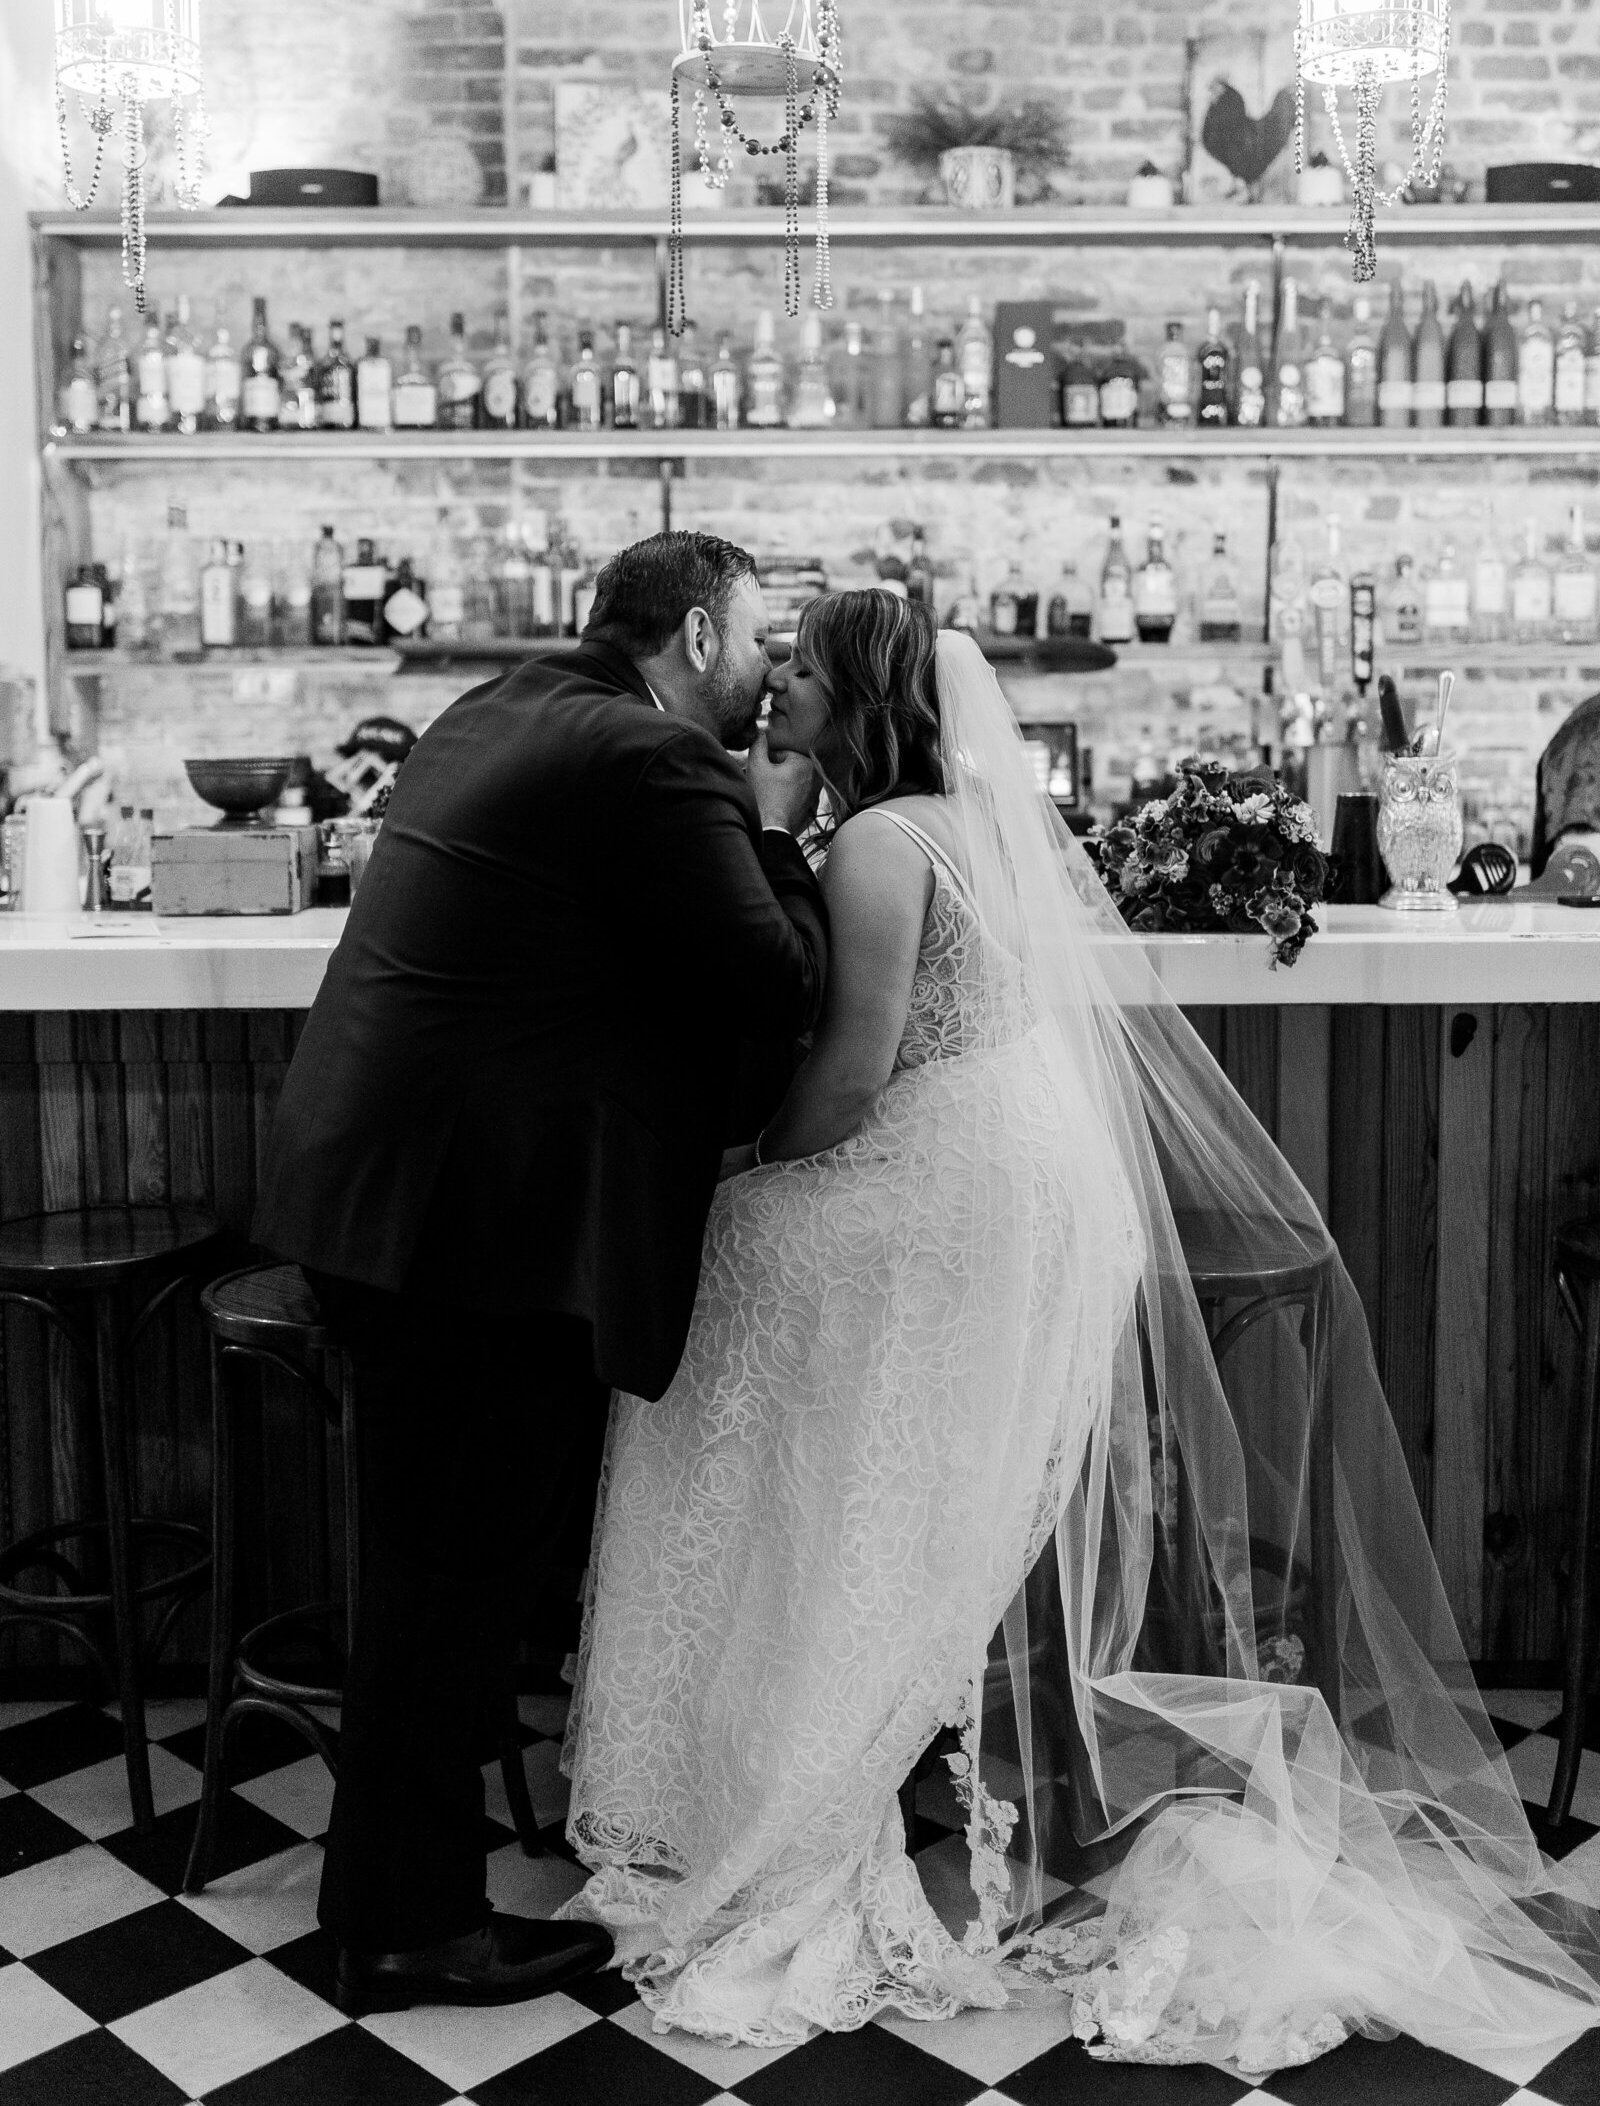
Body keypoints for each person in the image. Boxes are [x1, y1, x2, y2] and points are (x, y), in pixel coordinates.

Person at [559, 589, 1600, 2082]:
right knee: (742, 1266)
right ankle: (818, 1663)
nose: (771, 690)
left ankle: (777, 1727)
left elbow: (848, 1085)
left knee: (716, 1268)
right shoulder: (978, 818)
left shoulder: (872, 843)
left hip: (949, 1184)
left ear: (856, 702)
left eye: (797, 674)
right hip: (1034, 1178)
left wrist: (729, 1171)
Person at [253, 531, 827, 2014]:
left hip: (383, 1200)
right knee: (452, 1586)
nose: (772, 670)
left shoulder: (499, 704)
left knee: (430, 1578)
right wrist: (776, 824)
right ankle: (407, 1927)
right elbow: (773, 976)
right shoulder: (655, 765)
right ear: (698, 637)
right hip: (464, 1235)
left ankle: (391, 1901)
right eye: (762, 637)